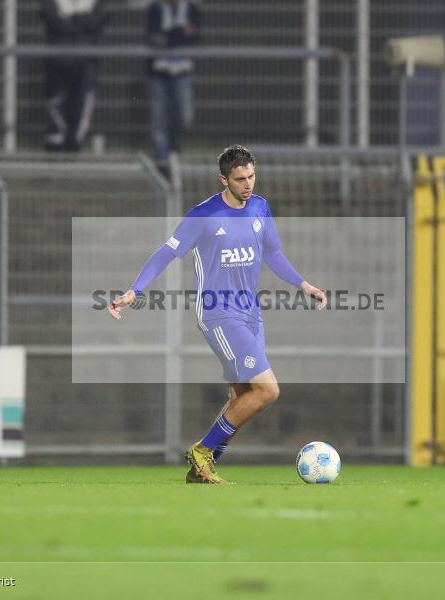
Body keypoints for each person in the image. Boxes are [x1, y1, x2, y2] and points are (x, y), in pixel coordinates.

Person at [108, 145, 327, 484]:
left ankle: (202, 468)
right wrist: (134, 290)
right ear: (223, 179)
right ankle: (202, 450)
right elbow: (165, 253)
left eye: (252, 176)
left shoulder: (260, 208)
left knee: (243, 396)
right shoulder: (203, 215)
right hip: (218, 312)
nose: (248, 184)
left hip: (251, 313)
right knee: (268, 391)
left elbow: (274, 254)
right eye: (240, 179)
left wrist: (305, 285)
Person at [39, 0, 110, 152]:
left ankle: (74, 145)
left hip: (85, 62)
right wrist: (81, 20)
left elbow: (97, 22)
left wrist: (71, 16)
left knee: (82, 105)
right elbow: (53, 21)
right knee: (56, 105)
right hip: (57, 62)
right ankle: (55, 147)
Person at [146, 0, 201, 175]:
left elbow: (195, 36)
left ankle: (174, 148)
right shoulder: (154, 9)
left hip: (182, 71)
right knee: (158, 121)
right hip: (158, 72)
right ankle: (162, 164)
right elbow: (154, 38)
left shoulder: (192, 9)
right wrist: (180, 33)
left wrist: (170, 34)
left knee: (184, 116)